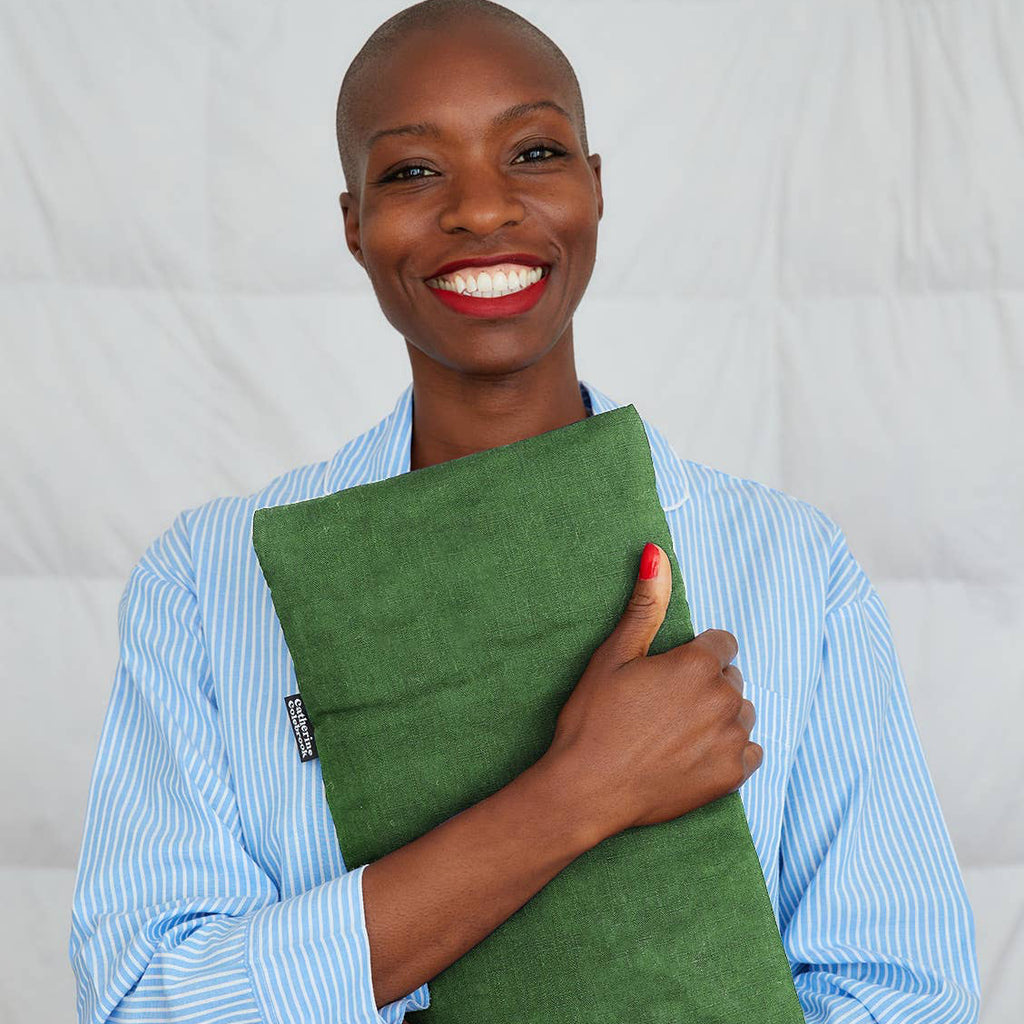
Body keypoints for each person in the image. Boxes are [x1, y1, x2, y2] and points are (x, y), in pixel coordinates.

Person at [69, 1, 980, 1022]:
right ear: (352, 224)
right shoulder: (209, 580)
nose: (482, 210)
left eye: (534, 152)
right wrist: (577, 796)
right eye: (414, 170)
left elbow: (905, 996)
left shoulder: (787, 565)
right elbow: (143, 1000)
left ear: (595, 188)